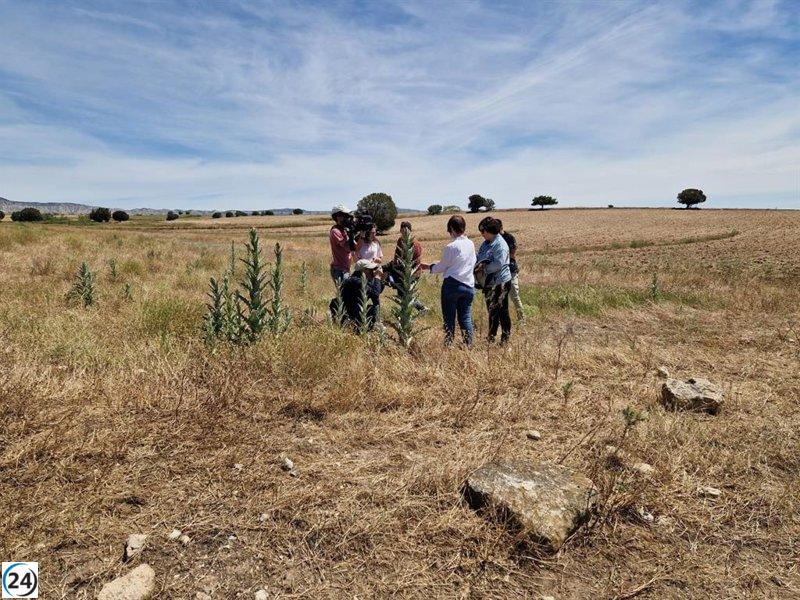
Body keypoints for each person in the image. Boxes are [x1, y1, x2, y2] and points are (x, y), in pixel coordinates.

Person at [419, 215, 476, 346]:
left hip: (452, 285)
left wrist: (429, 267)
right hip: (468, 285)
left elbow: (443, 266)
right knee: (465, 317)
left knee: (449, 318)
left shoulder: (451, 246)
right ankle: (468, 345)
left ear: (451, 228)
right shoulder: (471, 244)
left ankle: (448, 344)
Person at [476, 217, 512, 344]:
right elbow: (479, 256)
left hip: (500, 282)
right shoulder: (486, 243)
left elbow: (498, 264)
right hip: (489, 283)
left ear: (489, 230)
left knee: (502, 311)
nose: (481, 234)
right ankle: (491, 337)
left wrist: (483, 270)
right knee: (491, 310)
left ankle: (505, 338)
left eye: (482, 231)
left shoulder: (500, 245)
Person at [331, 259, 386, 331]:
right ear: (364, 270)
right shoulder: (356, 281)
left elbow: (376, 291)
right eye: (370, 270)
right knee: (373, 309)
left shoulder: (358, 279)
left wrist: (381, 280)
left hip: (353, 311)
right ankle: (362, 331)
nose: (372, 272)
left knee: (373, 307)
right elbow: (375, 293)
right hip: (349, 315)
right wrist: (377, 278)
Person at [387, 221, 428, 313]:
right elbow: (396, 255)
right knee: (402, 293)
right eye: (402, 230)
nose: (404, 232)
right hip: (401, 272)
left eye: (406, 230)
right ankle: (407, 312)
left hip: (412, 272)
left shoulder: (415, 243)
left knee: (406, 294)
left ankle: (421, 308)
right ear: (400, 230)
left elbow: (416, 261)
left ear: (410, 230)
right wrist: (394, 266)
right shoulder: (400, 240)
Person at [495, 219, 525, 322]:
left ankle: (522, 319)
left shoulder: (509, 238)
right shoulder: (493, 239)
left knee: (514, 295)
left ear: (501, 227)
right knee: (499, 297)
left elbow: (512, 253)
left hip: (510, 269)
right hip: (498, 271)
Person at [329, 205, 356, 288]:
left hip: (345, 268)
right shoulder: (335, 231)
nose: (346, 218)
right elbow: (348, 247)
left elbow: (355, 247)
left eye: (346, 216)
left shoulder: (344, 230)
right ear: (337, 217)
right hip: (339, 269)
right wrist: (351, 233)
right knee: (344, 295)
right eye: (343, 216)